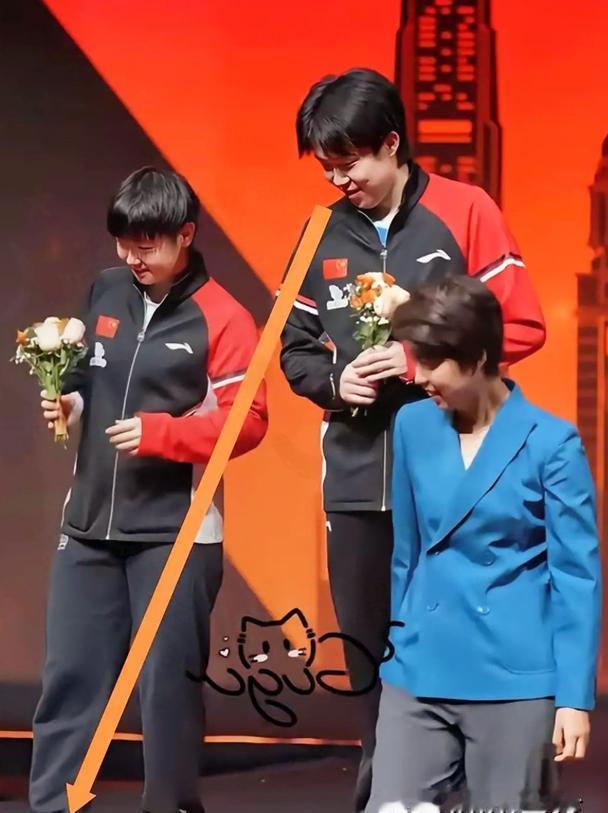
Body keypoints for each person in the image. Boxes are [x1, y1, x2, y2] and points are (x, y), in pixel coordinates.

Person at [278, 66, 547, 812]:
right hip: (356, 479)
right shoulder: (320, 233)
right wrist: (335, 384)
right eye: (327, 168)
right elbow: (293, 348)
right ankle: (393, 793)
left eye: (350, 163)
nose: (340, 181)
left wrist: (414, 358)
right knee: (369, 649)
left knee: (457, 645)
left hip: (456, 481)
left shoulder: (466, 211)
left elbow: (523, 324)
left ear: (392, 143)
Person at [30, 167, 268, 813]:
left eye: (148, 244)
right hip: (88, 524)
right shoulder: (105, 291)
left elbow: (248, 421)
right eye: (124, 242)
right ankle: (53, 806)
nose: (133, 256)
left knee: (166, 690)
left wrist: (164, 433)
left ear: (185, 235)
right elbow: (87, 379)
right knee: (70, 679)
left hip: (176, 533)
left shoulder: (225, 317)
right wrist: (70, 405)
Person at [366, 275, 600, 811]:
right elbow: (407, 554)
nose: (418, 376)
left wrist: (573, 697)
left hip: (513, 677)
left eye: (432, 362)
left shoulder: (552, 443)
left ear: (478, 358)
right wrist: (400, 646)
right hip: (418, 669)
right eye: (415, 359)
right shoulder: (412, 424)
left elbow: (575, 577)